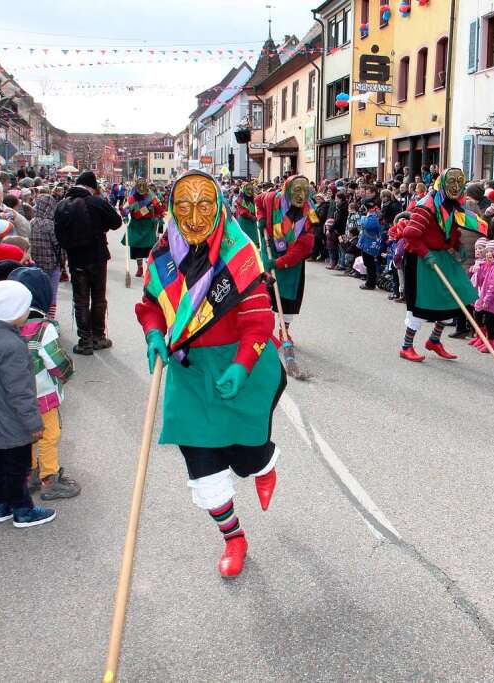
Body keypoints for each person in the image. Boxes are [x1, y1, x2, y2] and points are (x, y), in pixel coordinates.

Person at [137, 170, 284, 578]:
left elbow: (258, 321)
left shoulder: (240, 255)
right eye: (184, 206)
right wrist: (152, 334)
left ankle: (263, 464)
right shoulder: (163, 256)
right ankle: (233, 538)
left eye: (204, 205)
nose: (195, 216)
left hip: (240, 366)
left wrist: (242, 365)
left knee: (246, 454)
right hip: (188, 373)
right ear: (172, 209)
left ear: (218, 206)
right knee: (202, 463)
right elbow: (149, 304)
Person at [0, 280, 56, 528]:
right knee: (17, 468)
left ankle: (0, 505)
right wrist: (33, 422)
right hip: (11, 421)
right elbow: (20, 391)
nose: (27, 312)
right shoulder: (11, 346)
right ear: (11, 312)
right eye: (25, 308)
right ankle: (23, 510)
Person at [398, 168, 487, 362]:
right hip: (420, 257)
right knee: (420, 304)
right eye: (451, 183)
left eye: (459, 183)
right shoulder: (426, 205)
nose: (455, 187)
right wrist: (426, 255)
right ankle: (406, 346)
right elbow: (411, 235)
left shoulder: (453, 205)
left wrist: (457, 244)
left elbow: (451, 229)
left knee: (454, 297)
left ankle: (434, 341)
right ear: (442, 184)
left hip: (441, 255)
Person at [8, 268, 80, 500]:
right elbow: (57, 362)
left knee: (27, 433)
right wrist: (66, 374)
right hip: (43, 394)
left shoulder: (5, 325)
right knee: (49, 435)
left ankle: (28, 474)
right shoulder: (43, 329)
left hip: (16, 395)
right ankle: (49, 478)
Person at [53, 170, 123, 355]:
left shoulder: (62, 205)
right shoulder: (97, 202)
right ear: (92, 187)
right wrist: (101, 226)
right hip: (97, 256)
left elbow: (58, 234)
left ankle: (85, 341)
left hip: (76, 258)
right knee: (98, 297)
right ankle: (98, 337)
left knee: (80, 299)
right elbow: (117, 222)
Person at [258, 176, 317, 341]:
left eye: (305, 191)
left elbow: (305, 246)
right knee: (264, 296)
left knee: (288, 300)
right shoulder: (272, 198)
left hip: (292, 264)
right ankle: (261, 331)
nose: (301, 196)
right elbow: (258, 202)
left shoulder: (311, 212)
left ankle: (284, 330)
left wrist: (278, 263)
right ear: (287, 189)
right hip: (271, 252)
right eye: (297, 190)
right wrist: (262, 217)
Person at [122, 178, 165, 279]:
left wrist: (158, 214)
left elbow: (160, 207)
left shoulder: (151, 196)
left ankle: (149, 269)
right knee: (137, 248)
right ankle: (140, 267)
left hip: (148, 225)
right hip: (136, 225)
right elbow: (125, 209)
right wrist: (124, 214)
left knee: (149, 248)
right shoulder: (133, 197)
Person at [29, 192, 62, 319]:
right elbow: (58, 244)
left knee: (38, 292)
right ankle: (50, 319)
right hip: (52, 264)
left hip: (35, 263)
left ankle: (38, 318)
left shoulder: (31, 222)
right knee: (51, 294)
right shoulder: (51, 225)